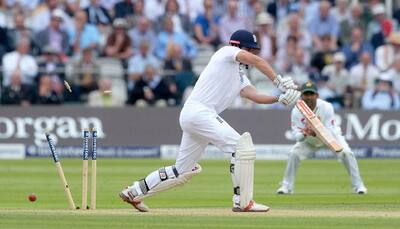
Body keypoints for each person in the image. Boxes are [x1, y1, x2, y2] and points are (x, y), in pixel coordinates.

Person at [119, 29, 300, 212]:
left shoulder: (240, 77)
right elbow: (258, 61)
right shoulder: (226, 52)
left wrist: (278, 98)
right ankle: (243, 202)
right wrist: (278, 81)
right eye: (250, 49)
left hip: (195, 115)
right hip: (200, 112)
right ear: (239, 46)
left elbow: (254, 95)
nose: (252, 53)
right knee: (241, 147)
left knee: (181, 171)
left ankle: (133, 192)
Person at [276, 82, 368, 195]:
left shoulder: (326, 107)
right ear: (301, 96)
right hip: (309, 141)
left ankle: (359, 186)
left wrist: (316, 130)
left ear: (317, 95)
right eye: (306, 94)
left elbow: (330, 130)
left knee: (347, 153)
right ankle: (286, 186)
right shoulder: (296, 111)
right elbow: (297, 136)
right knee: (294, 154)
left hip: (331, 139)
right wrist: (305, 134)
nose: (309, 97)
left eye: (311, 94)